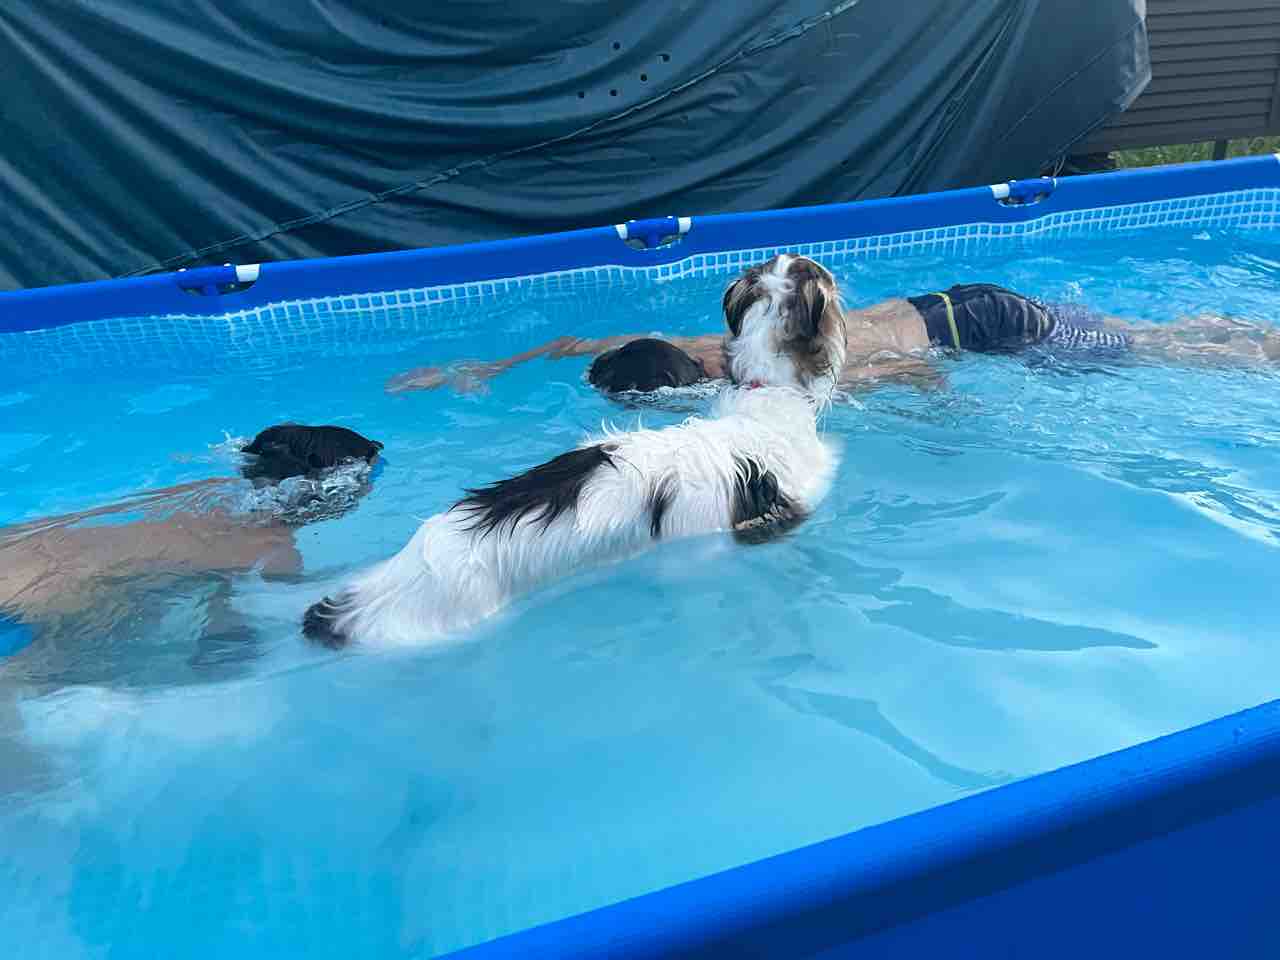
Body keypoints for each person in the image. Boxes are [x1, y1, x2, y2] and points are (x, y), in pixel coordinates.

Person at [384, 281, 1280, 396]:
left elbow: (910, 376)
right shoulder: (719, 338)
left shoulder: (791, 378)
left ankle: (1259, 348)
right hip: (958, 297)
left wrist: (944, 415)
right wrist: (482, 365)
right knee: (1140, 331)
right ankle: (1253, 331)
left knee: (1152, 352)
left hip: (984, 328)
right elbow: (580, 341)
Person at [0, 424, 382, 654]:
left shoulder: (204, 489)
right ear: (332, 492)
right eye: (363, 482)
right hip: (49, 595)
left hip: (16, 544)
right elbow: (272, 625)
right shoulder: (277, 554)